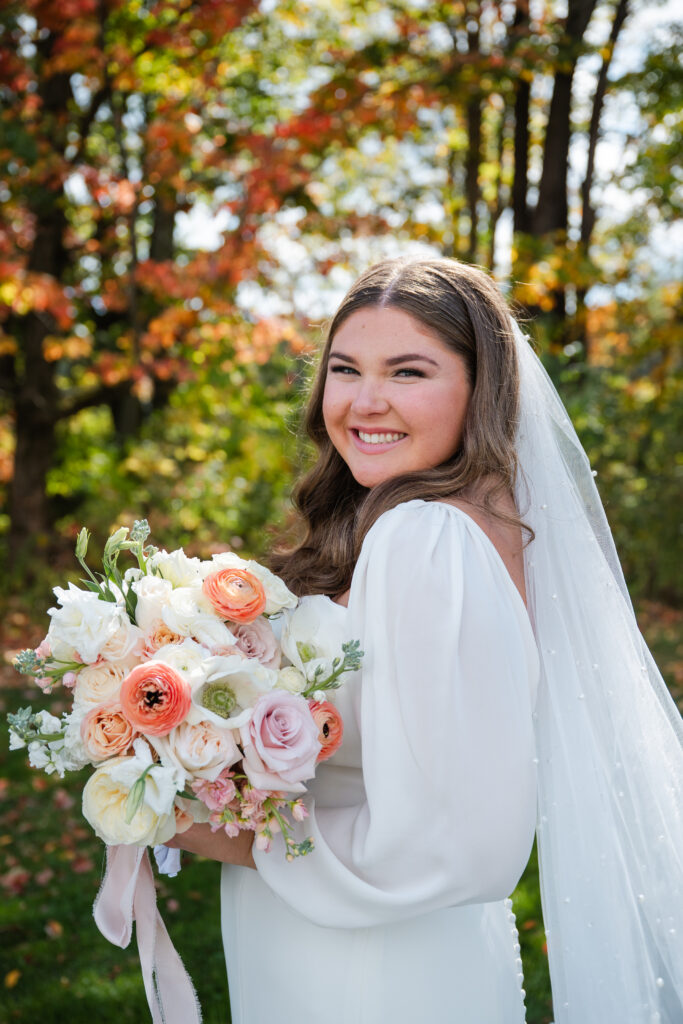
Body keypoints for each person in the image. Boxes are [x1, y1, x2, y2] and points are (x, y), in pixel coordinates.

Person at [167, 258, 683, 1024]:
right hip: (356, 938)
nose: (364, 401)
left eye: (407, 372)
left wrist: (210, 830)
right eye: (345, 369)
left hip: (367, 966)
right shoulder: (456, 523)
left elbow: (452, 843)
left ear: (481, 388)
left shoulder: (426, 538)